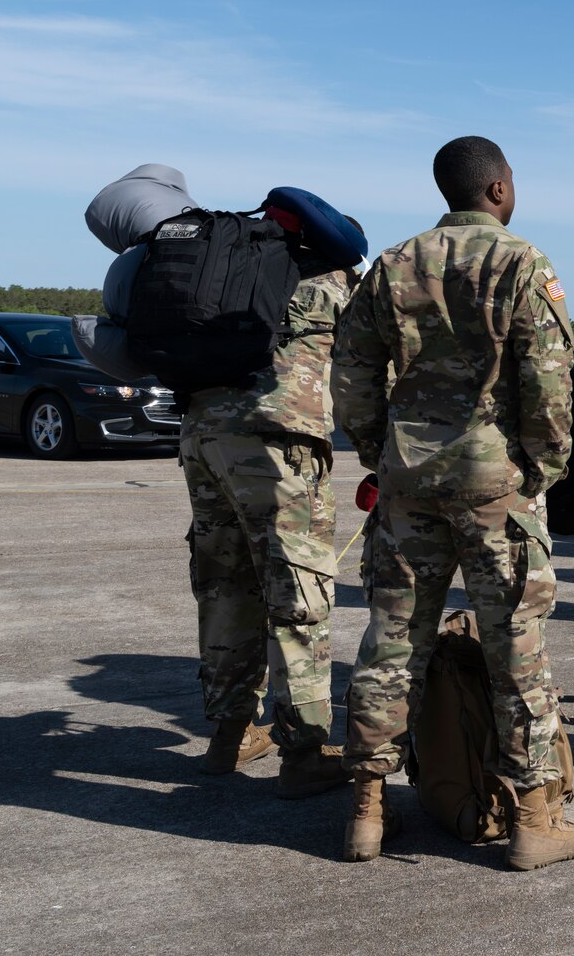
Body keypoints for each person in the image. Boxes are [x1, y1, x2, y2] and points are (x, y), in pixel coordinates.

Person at [334, 136, 574, 869]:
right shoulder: (521, 262)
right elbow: (550, 381)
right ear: (496, 190)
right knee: (517, 648)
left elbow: (352, 371)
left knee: (391, 641)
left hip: (409, 480)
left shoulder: (391, 263)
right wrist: (543, 468)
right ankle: (535, 818)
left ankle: (365, 806)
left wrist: (376, 450)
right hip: (493, 483)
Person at [179, 208, 360, 798]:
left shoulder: (231, 269)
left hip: (202, 436)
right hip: (278, 441)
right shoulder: (333, 282)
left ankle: (228, 738)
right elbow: (374, 367)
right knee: (297, 595)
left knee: (226, 588)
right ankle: (304, 754)